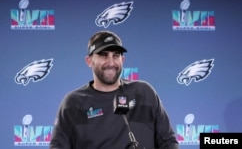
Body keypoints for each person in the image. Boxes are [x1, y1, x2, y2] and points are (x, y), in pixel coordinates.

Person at [50, 30, 179, 149]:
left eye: (116, 56)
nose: (111, 63)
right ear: (89, 61)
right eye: (103, 55)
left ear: (122, 60)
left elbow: (168, 142)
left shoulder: (144, 93)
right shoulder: (73, 103)